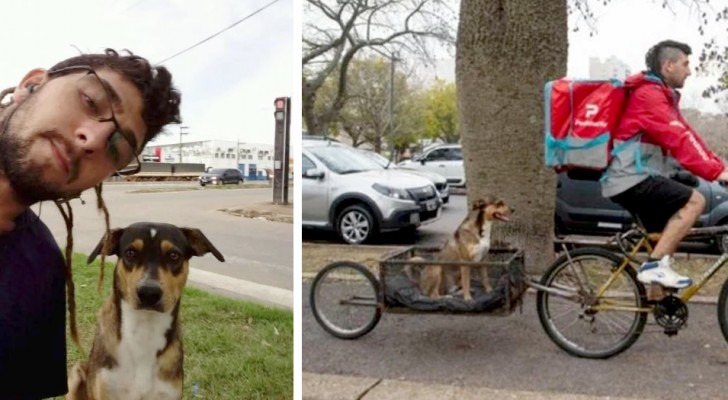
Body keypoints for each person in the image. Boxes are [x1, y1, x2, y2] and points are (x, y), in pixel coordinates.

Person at [0, 49, 181, 399]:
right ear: (32, 85)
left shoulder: (40, 275)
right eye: (90, 101)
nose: (94, 140)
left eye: (118, 149)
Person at [601, 39, 728, 289]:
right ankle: (654, 266)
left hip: (637, 176)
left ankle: (659, 299)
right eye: (685, 64)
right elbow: (679, 139)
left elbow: (689, 134)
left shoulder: (662, 96)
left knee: (664, 237)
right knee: (696, 201)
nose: (689, 71)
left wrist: (719, 165)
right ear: (669, 65)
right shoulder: (649, 96)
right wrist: (716, 172)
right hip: (629, 179)